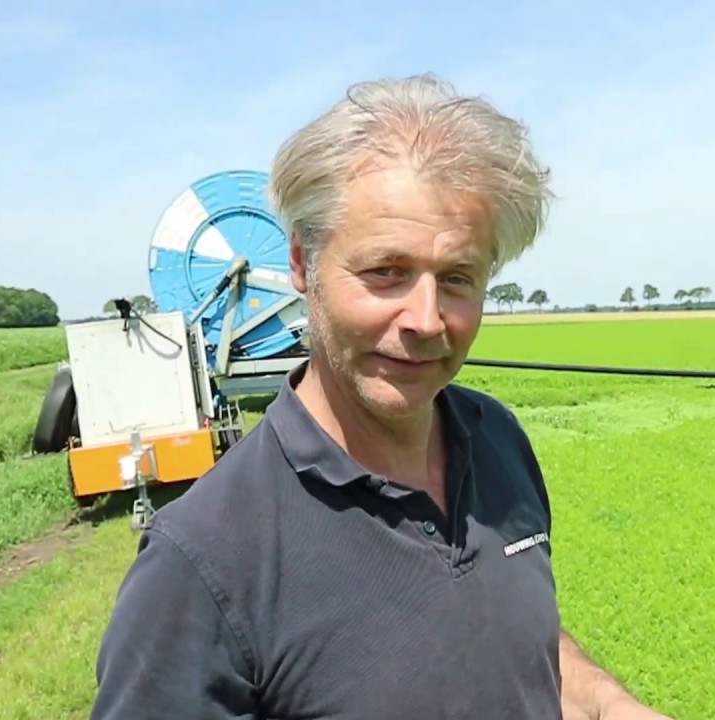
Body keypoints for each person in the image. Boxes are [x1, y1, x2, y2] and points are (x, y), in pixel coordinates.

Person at [91, 73, 672, 720]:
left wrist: (607, 703)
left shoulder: (498, 440)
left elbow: (510, 643)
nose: (426, 319)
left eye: (456, 277)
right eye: (384, 272)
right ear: (303, 266)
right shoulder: (202, 564)